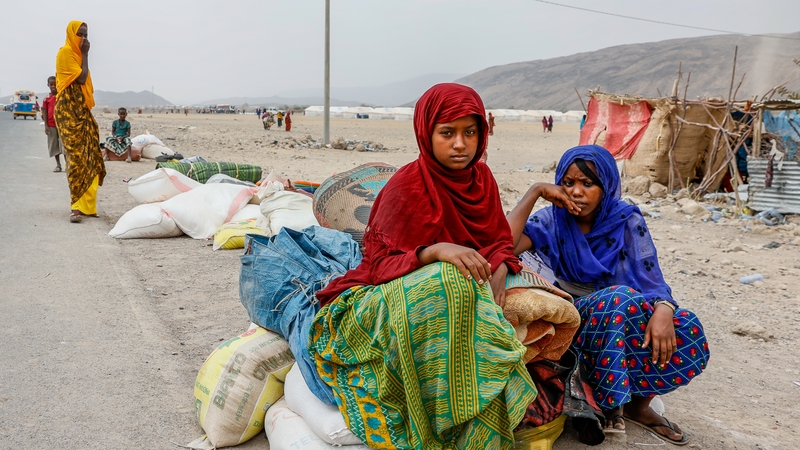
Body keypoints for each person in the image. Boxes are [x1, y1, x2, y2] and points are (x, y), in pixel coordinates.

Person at [309, 83, 537, 449]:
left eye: (470, 132)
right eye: (447, 133)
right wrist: (433, 252)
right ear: (426, 133)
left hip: (446, 286)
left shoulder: (483, 181)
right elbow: (378, 264)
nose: (460, 144)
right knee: (450, 280)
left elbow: (496, 240)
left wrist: (497, 268)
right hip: (378, 296)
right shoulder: (407, 187)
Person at [507, 145, 709, 445]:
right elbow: (503, 247)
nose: (576, 192)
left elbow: (651, 278)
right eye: (568, 182)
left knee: (685, 327)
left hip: (624, 312)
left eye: (588, 184)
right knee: (618, 300)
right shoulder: (551, 221)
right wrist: (535, 191)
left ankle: (638, 406)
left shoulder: (627, 221)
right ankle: (608, 402)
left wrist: (664, 309)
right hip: (573, 319)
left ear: (607, 187)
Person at [54, 20, 106, 224]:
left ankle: (88, 206)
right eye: (80, 35)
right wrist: (85, 54)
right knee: (75, 158)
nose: (84, 39)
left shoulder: (76, 55)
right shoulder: (66, 53)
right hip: (68, 111)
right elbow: (82, 79)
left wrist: (83, 55)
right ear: (71, 34)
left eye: (86, 35)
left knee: (92, 154)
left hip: (82, 110)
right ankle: (76, 206)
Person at [42, 76, 64, 173]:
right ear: (48, 85)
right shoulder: (46, 99)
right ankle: (58, 165)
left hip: (62, 125)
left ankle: (68, 165)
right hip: (51, 125)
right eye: (51, 84)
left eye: (55, 84)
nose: (53, 86)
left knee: (64, 145)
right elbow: (45, 112)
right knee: (54, 145)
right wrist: (46, 125)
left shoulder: (62, 96)